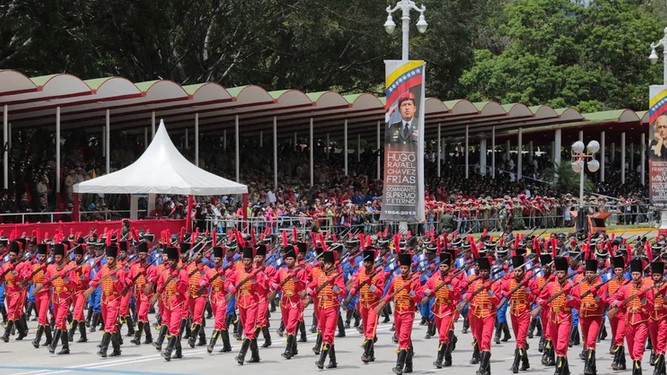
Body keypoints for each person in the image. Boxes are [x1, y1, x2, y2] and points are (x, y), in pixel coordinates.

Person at [611, 258, 654, 375]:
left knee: (638, 348)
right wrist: (617, 303)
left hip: (642, 321)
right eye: (633, 274)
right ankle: (634, 359)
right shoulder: (626, 287)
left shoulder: (647, 287)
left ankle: (637, 369)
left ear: (641, 274)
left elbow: (651, 306)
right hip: (629, 322)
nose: (635, 276)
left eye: (637, 274)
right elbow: (614, 297)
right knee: (631, 349)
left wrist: (644, 299)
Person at [422, 251, 462, 368]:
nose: (442, 268)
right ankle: (448, 358)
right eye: (441, 266)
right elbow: (425, 287)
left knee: (443, 335)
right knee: (442, 334)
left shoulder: (454, 280)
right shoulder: (435, 278)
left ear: (449, 268)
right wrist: (428, 292)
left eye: (445, 266)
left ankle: (439, 359)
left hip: (448, 310)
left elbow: (456, 295)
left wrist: (449, 285)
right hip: (437, 309)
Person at [89, 242, 128, 358]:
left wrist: (115, 279)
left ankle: (104, 348)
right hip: (104, 300)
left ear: (115, 259)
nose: (109, 261)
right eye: (108, 258)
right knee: (110, 324)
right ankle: (117, 349)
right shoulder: (104, 268)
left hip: (114, 300)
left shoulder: (120, 271)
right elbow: (97, 278)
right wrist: (93, 282)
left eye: (111, 259)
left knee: (109, 324)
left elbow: (122, 289)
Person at [386, 252, 423, 375]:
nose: (402, 270)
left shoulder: (415, 281)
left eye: (405, 268)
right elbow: (389, 293)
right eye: (401, 268)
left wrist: (410, 291)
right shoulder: (396, 280)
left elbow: (419, 299)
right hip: (397, 313)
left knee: (403, 339)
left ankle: (399, 365)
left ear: (409, 268)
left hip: (408, 313)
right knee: (404, 338)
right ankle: (409, 364)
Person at [155, 246, 188, 361]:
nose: (170, 262)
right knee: (170, 327)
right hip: (166, 303)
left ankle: (168, 351)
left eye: (173, 260)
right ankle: (178, 351)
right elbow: (159, 284)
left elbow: (184, 288)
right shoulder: (164, 273)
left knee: (174, 328)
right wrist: (160, 289)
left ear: (177, 260)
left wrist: (177, 281)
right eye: (169, 260)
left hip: (178, 303)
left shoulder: (182, 272)